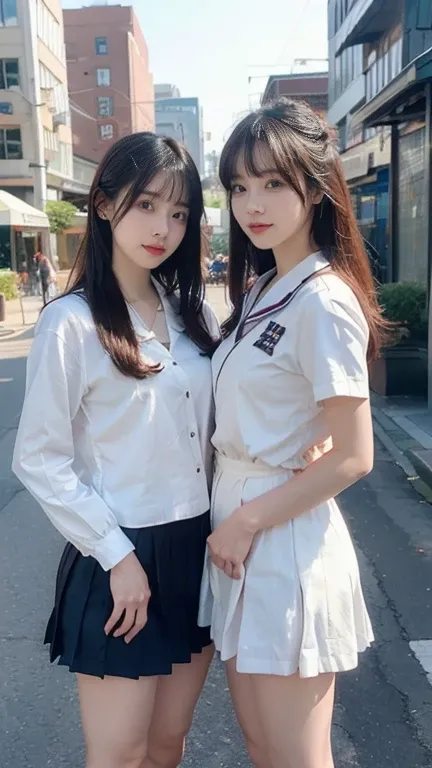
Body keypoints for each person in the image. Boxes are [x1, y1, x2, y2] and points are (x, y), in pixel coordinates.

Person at [13, 132, 219, 768]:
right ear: (104, 204)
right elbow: (38, 458)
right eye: (148, 204)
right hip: (119, 556)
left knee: (166, 745)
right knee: (120, 753)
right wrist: (117, 557)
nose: (164, 226)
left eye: (180, 211)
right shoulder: (70, 322)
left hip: (196, 548)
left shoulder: (189, 317)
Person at [198, 97, 386, 768]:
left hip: (280, 542)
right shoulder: (261, 291)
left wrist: (246, 522)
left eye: (274, 182)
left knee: (297, 756)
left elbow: (355, 455)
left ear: (314, 185)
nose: (254, 202)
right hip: (244, 534)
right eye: (240, 186)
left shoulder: (323, 298)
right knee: (261, 745)